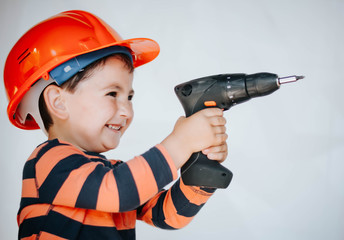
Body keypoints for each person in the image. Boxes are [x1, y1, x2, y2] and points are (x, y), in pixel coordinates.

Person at [4, 10, 228, 240]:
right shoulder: (47, 163)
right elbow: (119, 190)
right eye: (112, 93)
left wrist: (201, 170)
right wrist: (181, 143)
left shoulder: (111, 172)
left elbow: (167, 216)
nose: (127, 111)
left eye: (129, 97)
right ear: (58, 102)